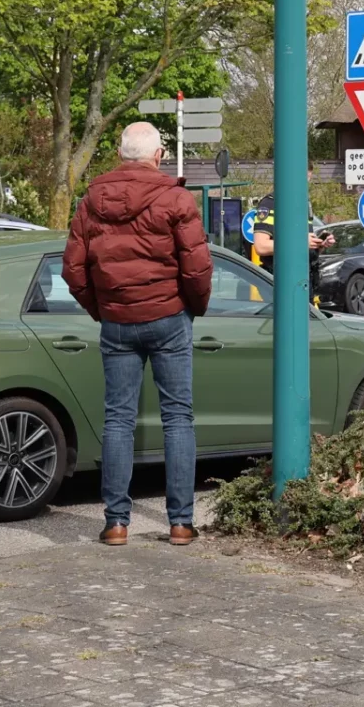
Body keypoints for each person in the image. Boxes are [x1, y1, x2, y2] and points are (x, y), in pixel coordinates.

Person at [64, 122, 212, 547]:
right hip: (169, 316)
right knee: (178, 418)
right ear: (160, 155)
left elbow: (73, 270)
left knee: (118, 420)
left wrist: (102, 309)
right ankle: (181, 523)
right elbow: (198, 267)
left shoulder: (92, 200)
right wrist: (191, 309)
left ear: (119, 153)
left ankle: (116, 523)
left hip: (117, 321)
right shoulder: (176, 198)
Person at [252, 193, 333, 298]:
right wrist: (300, 243)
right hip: (282, 282)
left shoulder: (303, 202)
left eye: (310, 174)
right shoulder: (271, 202)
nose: (309, 175)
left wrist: (319, 244)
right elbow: (261, 246)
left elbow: (302, 247)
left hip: (304, 282)